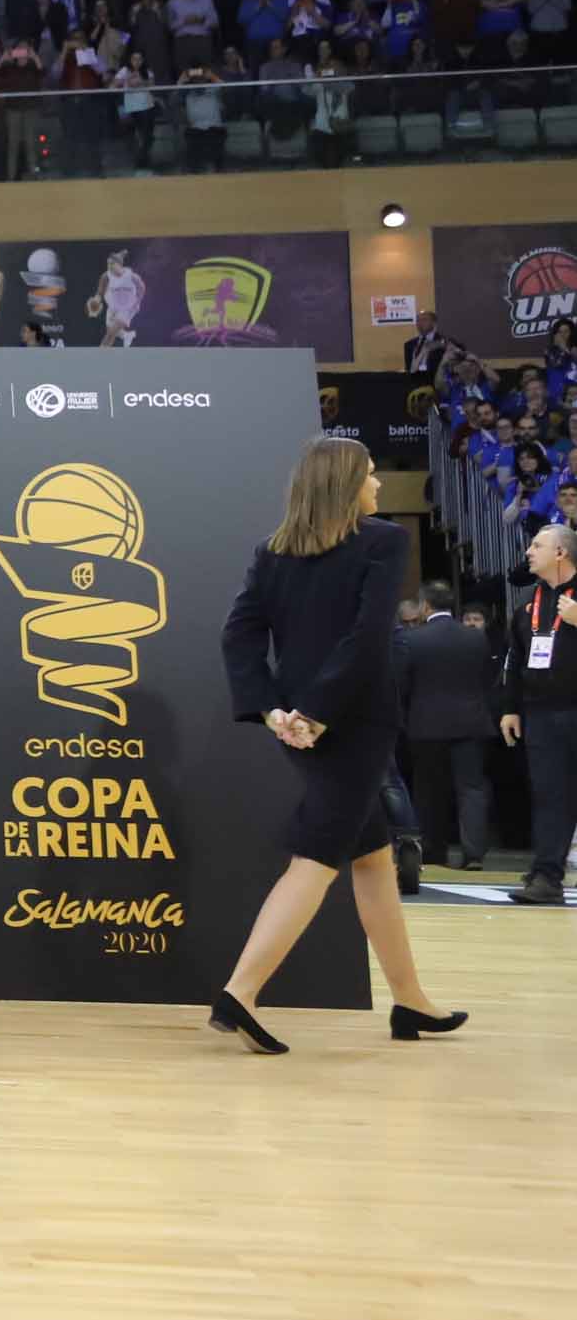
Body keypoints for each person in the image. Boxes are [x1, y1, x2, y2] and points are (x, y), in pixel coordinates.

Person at [214, 436, 462, 1053]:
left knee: (372, 855)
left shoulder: (271, 553)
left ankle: (409, 1002)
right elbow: (368, 637)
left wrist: (277, 711)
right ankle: (240, 993)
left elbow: (239, 639)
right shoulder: (383, 540)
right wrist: (313, 713)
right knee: (318, 856)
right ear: (345, 484)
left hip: (300, 724)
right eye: (372, 475)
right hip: (348, 722)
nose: (379, 485)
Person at [498, 522, 577, 907]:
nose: (528, 551)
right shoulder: (527, 603)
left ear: (561, 552)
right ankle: (546, 877)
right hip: (543, 715)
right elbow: (515, 660)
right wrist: (510, 707)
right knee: (550, 797)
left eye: (537, 545)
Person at [398, 577, 498, 872]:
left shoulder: (412, 638)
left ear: (424, 606)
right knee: (472, 788)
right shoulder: (475, 637)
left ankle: (432, 850)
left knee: (429, 790)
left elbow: (402, 684)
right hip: (471, 722)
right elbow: (486, 678)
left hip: (425, 725)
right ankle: (474, 854)